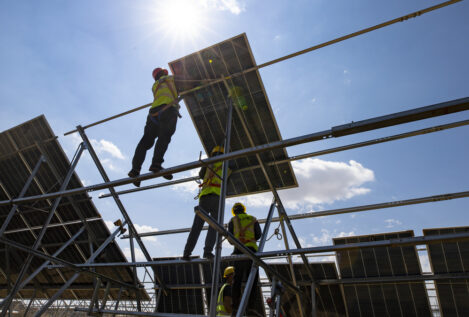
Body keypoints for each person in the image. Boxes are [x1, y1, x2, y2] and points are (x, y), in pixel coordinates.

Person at [128, 67, 180, 187]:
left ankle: (135, 170)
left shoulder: (155, 85)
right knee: (164, 137)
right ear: (164, 73)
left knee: (145, 141)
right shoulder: (171, 79)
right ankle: (156, 164)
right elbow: (187, 82)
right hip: (168, 109)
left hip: (153, 113)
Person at [182, 146, 233, 260]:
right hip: (217, 199)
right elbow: (228, 181)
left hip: (204, 198)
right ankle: (208, 252)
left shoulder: (207, 164)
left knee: (196, 227)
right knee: (214, 227)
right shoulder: (227, 165)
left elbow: (201, 175)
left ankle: (186, 253)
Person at [228, 202, 262, 315]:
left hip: (238, 252)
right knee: (252, 281)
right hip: (252, 252)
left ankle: (235, 308)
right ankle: (251, 308)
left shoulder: (233, 220)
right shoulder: (253, 219)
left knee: (236, 280)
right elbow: (258, 234)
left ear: (234, 211)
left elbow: (230, 238)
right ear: (244, 209)